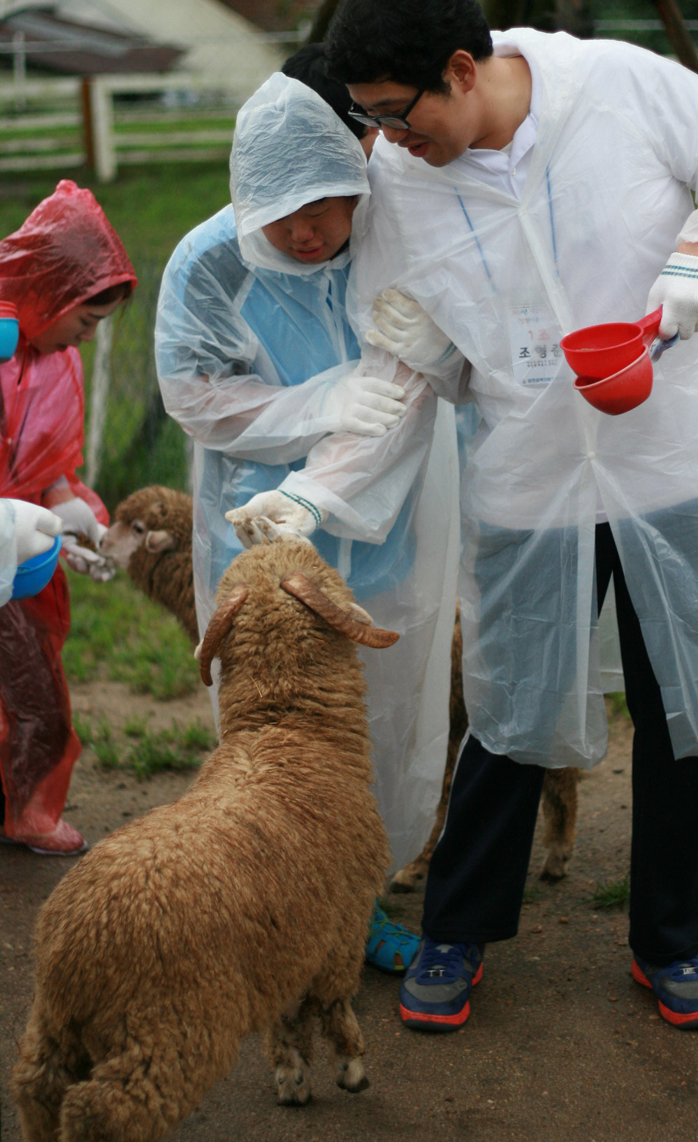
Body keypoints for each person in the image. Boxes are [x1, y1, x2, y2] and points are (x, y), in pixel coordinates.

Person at [228, 0, 698, 1033]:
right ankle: (458, 930)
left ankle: (670, 943)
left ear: (461, 71)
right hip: (536, 477)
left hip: (678, 456)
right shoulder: (405, 190)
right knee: (506, 712)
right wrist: (314, 491)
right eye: (363, 117)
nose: (382, 141)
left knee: (678, 706)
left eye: (393, 113)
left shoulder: (616, 85)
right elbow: (403, 363)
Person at [155, 71, 459, 973]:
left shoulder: (385, 234)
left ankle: (356, 901)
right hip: (258, 533)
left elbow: (417, 360)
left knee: (383, 714)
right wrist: (330, 397)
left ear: (357, 173)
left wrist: (369, 411)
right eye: (281, 213)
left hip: (381, 526)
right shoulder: (212, 261)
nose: (303, 232)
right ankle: (276, 903)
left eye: (322, 207)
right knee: (275, 730)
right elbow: (197, 397)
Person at [0, 180, 135, 855]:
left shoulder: (57, 360)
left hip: (21, 567)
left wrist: (72, 511)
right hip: (8, 546)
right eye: (85, 316)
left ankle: (26, 807)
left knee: (34, 687)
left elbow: (50, 460)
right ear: (49, 289)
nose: (87, 333)